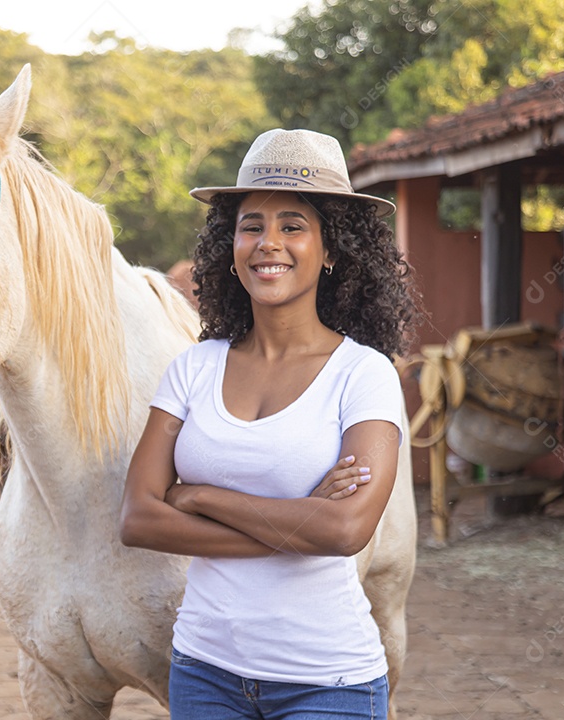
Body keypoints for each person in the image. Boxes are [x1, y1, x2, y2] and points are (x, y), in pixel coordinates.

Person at [120, 128, 420, 719]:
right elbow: (137, 518)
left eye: (292, 225)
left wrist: (198, 495)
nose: (268, 243)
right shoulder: (193, 368)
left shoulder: (364, 376)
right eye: (251, 225)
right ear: (229, 245)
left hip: (326, 682)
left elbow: (343, 532)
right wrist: (298, 523)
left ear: (331, 249)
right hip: (204, 673)